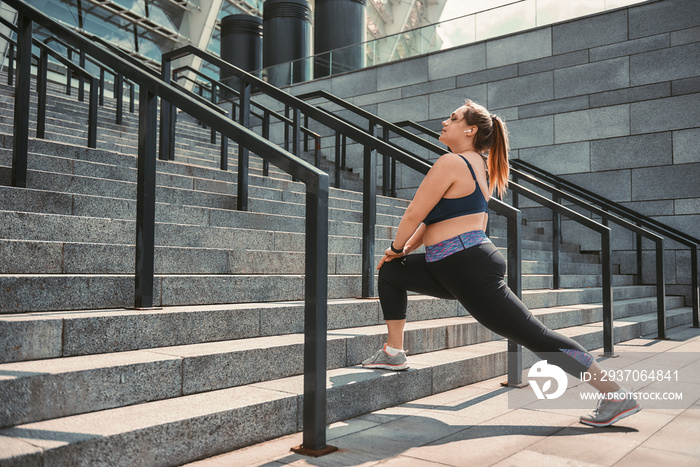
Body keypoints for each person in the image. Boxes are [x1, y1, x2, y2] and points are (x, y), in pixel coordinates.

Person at [361, 100, 641, 427]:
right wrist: (404, 250)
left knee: (537, 336)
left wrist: (395, 246)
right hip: (453, 265)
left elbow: (414, 213)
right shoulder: (477, 165)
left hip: (467, 268)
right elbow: (436, 219)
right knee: (392, 272)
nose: (444, 121)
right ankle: (394, 352)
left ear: (470, 129)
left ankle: (615, 394)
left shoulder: (452, 162)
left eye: (452, 118)